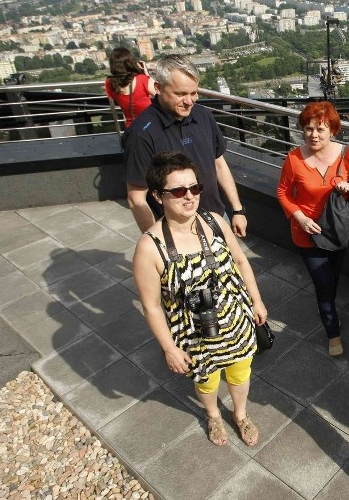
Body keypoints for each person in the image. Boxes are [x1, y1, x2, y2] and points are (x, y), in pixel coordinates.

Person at [132, 151, 268, 447]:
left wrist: (256, 301)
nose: (190, 197)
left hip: (235, 320)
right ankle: (213, 415)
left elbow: (242, 262)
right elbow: (151, 306)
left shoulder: (215, 221)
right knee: (206, 380)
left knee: (240, 370)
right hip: (194, 335)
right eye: (179, 191)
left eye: (195, 188)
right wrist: (168, 348)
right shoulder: (150, 246)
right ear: (158, 196)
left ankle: (240, 414)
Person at [277, 102, 349, 357]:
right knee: (323, 284)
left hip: (336, 231)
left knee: (332, 280)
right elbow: (283, 192)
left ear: (332, 130)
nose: (314, 135)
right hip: (307, 233)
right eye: (308, 129)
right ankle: (333, 333)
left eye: (320, 129)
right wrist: (299, 217)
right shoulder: (294, 158)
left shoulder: (346, 155)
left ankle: (329, 311)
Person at [123, 54, 248, 236]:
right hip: (177, 231)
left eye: (193, 93)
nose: (189, 101)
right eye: (180, 94)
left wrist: (237, 210)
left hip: (216, 218)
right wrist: (160, 243)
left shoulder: (203, 115)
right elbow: (136, 198)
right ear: (158, 88)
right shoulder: (141, 134)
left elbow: (218, 164)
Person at [104, 47, 156, 129]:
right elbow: (162, 94)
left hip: (131, 128)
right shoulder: (142, 80)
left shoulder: (109, 83)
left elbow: (115, 98)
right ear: (130, 63)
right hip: (150, 126)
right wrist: (146, 74)